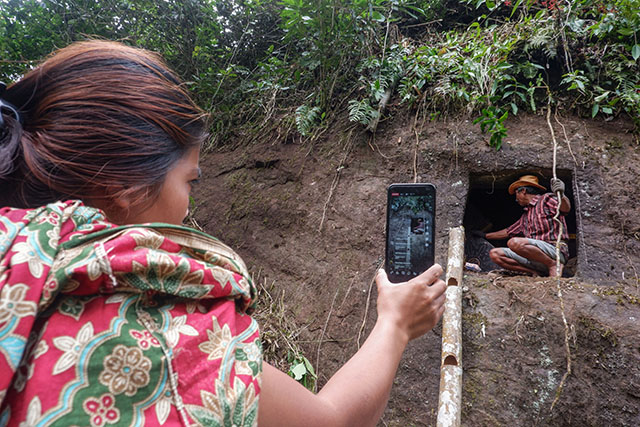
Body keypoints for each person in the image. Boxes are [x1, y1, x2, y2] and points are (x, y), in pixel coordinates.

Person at [0, 40, 446, 426]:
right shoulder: (155, 336)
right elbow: (330, 421)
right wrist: (396, 323)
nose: (188, 201)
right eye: (189, 180)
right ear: (124, 191)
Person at [473, 175, 570, 278]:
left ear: (523, 191)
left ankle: (553, 264)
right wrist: (484, 235)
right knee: (495, 254)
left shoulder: (545, 199)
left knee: (514, 243)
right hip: (535, 258)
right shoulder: (525, 216)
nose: (516, 199)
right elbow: (507, 232)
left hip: (555, 251)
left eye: (516, 194)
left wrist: (561, 195)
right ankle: (534, 272)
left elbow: (565, 208)